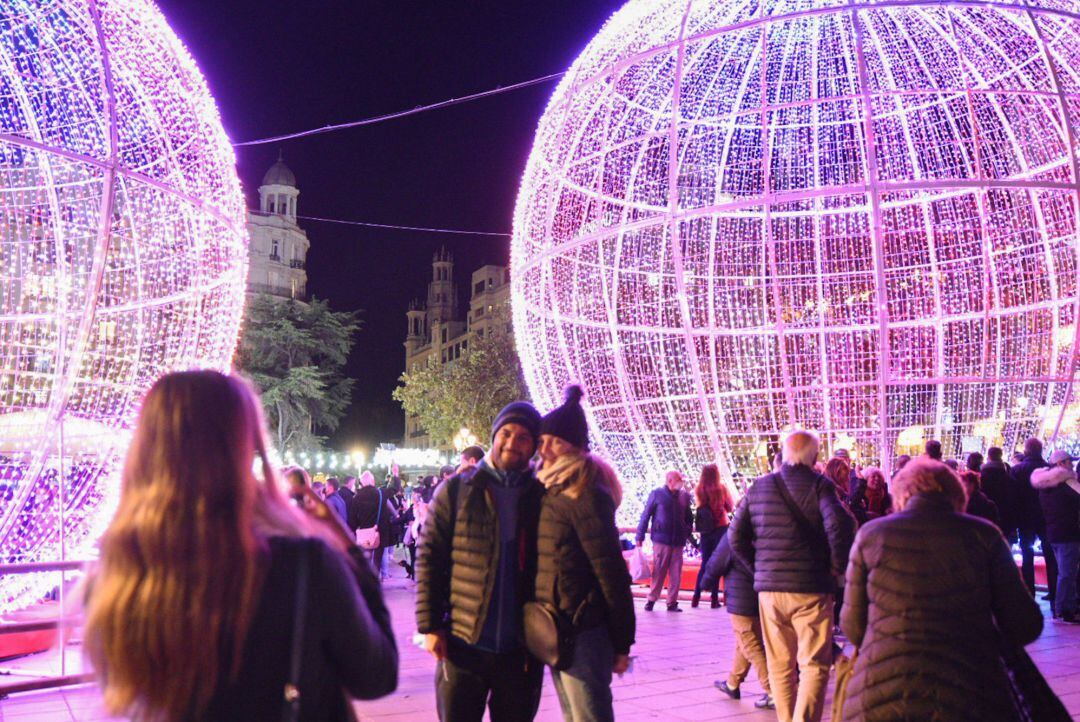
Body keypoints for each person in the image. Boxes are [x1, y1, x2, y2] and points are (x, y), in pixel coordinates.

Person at [83, 371, 397, 721]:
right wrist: (351, 552)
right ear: (244, 447)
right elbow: (376, 676)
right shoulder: (301, 565)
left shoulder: (119, 574)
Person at [840, 458, 1043, 721]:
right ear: (958, 494)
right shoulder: (985, 535)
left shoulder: (871, 535)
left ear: (900, 496)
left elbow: (853, 627)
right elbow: (1025, 624)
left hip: (882, 694)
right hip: (974, 692)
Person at [416, 400, 546, 722]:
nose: (513, 443)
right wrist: (430, 626)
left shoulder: (541, 496)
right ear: (494, 436)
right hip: (463, 644)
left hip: (521, 652)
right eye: (507, 433)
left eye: (523, 438)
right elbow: (429, 557)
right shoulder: (457, 490)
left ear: (534, 447)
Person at [728, 429, 856, 722]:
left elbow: (735, 537)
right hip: (811, 588)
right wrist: (836, 566)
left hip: (770, 592)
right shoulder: (820, 486)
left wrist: (759, 570)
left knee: (780, 665)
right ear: (814, 455)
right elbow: (839, 526)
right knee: (813, 664)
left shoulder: (758, 487)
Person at [534, 386, 635, 722]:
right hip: (558, 626)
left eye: (554, 441)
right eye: (542, 439)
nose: (544, 448)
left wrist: (622, 643)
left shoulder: (585, 493)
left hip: (584, 629)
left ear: (574, 446)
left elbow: (611, 571)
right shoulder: (554, 488)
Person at [701, 531, 774, 711]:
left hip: (741, 596)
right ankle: (732, 683)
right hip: (762, 593)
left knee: (750, 644)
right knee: (745, 640)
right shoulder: (766, 531)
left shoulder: (734, 534)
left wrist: (705, 582)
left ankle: (773, 691)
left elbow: (717, 562)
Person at [1032, 450, 1080, 623]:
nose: (1072, 465)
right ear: (1060, 464)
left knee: (1065, 571)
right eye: (1069, 462)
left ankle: (1065, 606)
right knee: (1067, 573)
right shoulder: (1067, 483)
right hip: (1069, 532)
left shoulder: (1045, 485)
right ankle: (1065, 609)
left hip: (1053, 532)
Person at [636, 470, 693, 612]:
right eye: (679, 479)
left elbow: (689, 517)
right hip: (661, 540)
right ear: (670, 480)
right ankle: (651, 599)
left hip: (678, 541)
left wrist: (686, 531)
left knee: (676, 574)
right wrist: (639, 536)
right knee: (659, 571)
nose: (681, 481)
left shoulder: (684, 496)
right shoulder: (657, 494)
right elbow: (646, 515)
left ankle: (672, 602)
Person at [1012, 438, 1058, 609]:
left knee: (1027, 555)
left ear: (1026, 450)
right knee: (1050, 555)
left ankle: (1029, 592)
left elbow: (1014, 496)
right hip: (1045, 517)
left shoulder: (1018, 470)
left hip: (1025, 518)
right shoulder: (1050, 469)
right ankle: (1054, 593)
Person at [692, 464, 733, 608]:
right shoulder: (721, 489)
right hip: (720, 528)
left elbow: (699, 506)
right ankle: (714, 599)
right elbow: (730, 506)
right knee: (717, 562)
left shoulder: (699, 489)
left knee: (705, 563)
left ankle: (696, 596)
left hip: (705, 531)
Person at [349, 471, 397, 577]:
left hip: (364, 533)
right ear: (373, 481)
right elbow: (395, 489)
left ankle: (367, 583)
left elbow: (352, 518)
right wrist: (396, 475)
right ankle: (376, 581)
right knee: (377, 559)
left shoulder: (357, 497)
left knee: (366, 559)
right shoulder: (381, 493)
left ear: (361, 482)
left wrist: (354, 531)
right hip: (379, 531)